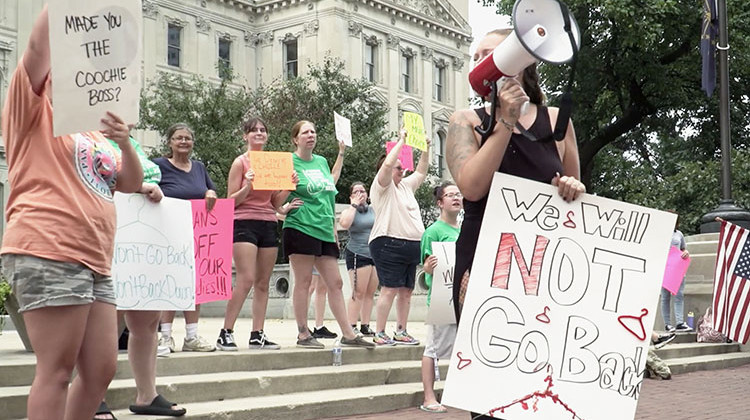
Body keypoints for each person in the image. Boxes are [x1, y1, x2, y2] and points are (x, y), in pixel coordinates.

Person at [0, 6, 143, 419]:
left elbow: (128, 182)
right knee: (56, 370)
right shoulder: (31, 103)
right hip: (49, 245)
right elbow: (39, 43)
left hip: (95, 258)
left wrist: (126, 142)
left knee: (100, 371)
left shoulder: (95, 128)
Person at [446, 29, 585, 419]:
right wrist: (503, 122)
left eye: (493, 52)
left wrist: (573, 186)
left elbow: (576, 196)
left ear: (524, 61)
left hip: (544, 263)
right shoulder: (466, 121)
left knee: (542, 377)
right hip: (485, 257)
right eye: (478, 56)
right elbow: (472, 186)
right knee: (492, 383)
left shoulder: (557, 121)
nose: (483, 61)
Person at [94, 138, 186, 419]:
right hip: (112, 233)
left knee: (146, 320)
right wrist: (137, 186)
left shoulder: (132, 142)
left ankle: (147, 394)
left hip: (141, 239)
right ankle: (92, 394)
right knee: (109, 320)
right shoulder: (89, 137)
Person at [282, 120, 374, 349]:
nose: (311, 135)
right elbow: (274, 194)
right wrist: (281, 209)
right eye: (305, 132)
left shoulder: (321, 161)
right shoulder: (287, 162)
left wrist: (341, 153)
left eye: (313, 131)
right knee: (303, 282)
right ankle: (303, 333)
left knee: (336, 282)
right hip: (300, 225)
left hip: (324, 229)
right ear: (296, 139)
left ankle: (348, 333)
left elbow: (329, 185)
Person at [216, 117, 296, 351]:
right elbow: (230, 200)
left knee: (263, 282)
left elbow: (274, 203)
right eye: (254, 131)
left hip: (268, 222)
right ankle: (226, 332)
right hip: (243, 222)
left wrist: (289, 187)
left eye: (263, 130)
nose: (259, 133)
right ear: (245, 136)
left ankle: (257, 334)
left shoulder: (272, 163)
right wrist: (248, 186)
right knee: (246, 278)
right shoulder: (240, 163)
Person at [155, 123, 218, 353]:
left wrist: (210, 193)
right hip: (167, 235)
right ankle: (165, 336)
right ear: (170, 142)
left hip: (196, 236)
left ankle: (191, 336)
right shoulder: (159, 165)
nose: (183, 142)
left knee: (194, 286)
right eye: (178, 138)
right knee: (169, 284)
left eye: (188, 138)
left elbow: (210, 191)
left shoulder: (199, 168)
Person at [369, 128, 431, 346]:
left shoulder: (406, 186)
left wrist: (426, 148)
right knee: (390, 289)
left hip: (411, 245)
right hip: (388, 242)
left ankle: (401, 330)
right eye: (399, 167)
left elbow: (422, 172)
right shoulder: (381, 186)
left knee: (406, 291)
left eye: (403, 168)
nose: (402, 170)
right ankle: (379, 332)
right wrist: (402, 142)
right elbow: (387, 165)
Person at [419, 182, 463, 413]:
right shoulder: (433, 232)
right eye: (450, 195)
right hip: (441, 298)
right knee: (433, 348)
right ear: (440, 202)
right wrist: (428, 267)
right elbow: (427, 267)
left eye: (458, 194)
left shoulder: (465, 230)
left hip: (463, 298)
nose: (456, 198)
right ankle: (428, 397)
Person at [308, 141, 347, 340]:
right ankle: (306, 328)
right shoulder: (301, 174)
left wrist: (341, 153)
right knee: (309, 285)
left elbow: (334, 178)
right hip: (306, 230)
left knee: (328, 284)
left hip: (324, 232)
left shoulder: (326, 182)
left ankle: (320, 325)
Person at [339, 182, 379, 337]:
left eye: (362, 191)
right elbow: (344, 224)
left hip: (374, 253)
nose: (360, 193)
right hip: (358, 253)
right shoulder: (349, 211)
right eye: (356, 191)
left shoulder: (373, 210)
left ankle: (365, 325)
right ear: (351, 196)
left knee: (370, 292)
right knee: (358, 292)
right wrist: (354, 205)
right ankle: (351, 325)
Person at [661, 215, 692, 332]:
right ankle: (667, 324)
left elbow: (683, 248)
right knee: (665, 296)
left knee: (679, 295)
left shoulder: (679, 234)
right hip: (665, 268)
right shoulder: (660, 234)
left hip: (677, 268)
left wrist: (686, 252)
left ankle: (680, 322)